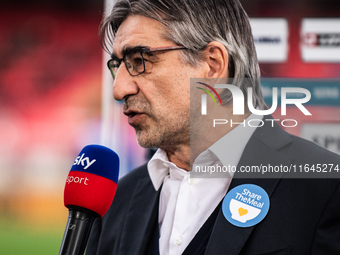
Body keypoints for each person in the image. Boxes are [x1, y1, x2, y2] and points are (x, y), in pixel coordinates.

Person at [87, 0, 340, 254]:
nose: (119, 90)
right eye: (118, 66)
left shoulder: (325, 189)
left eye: (139, 60)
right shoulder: (115, 203)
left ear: (213, 64)